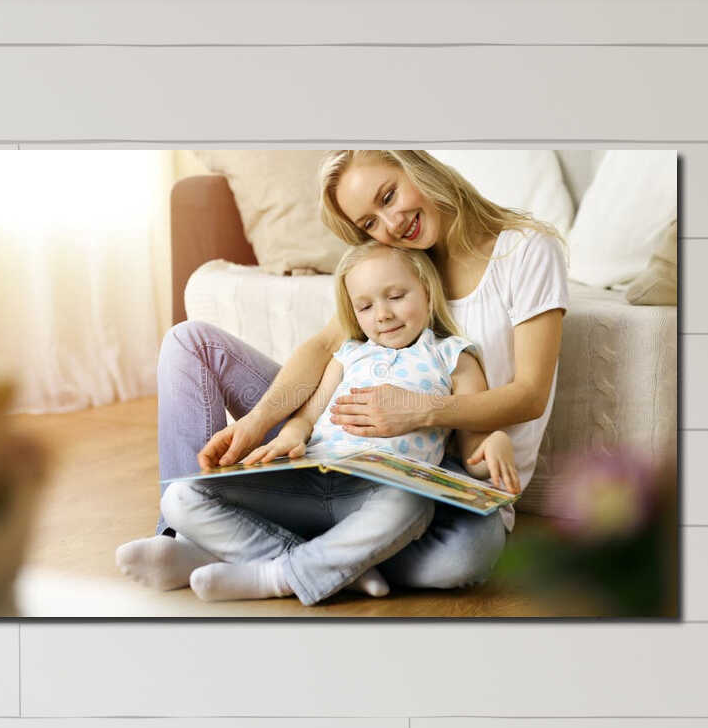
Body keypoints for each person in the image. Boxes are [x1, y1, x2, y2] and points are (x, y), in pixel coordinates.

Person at [120, 148, 568, 597]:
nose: (391, 225)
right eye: (370, 223)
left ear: (417, 166)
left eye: (388, 196)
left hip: (443, 469)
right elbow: (323, 348)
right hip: (340, 438)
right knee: (190, 343)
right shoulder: (401, 254)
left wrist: (420, 412)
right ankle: (184, 538)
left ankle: (252, 552)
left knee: (463, 560)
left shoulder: (526, 251)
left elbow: (529, 394)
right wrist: (262, 424)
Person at [136, 242, 512, 604]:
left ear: (428, 292)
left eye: (396, 296)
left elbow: (473, 439)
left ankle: (277, 576)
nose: (382, 314)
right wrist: (290, 435)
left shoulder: (453, 357)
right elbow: (308, 417)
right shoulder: (348, 354)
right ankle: (334, 568)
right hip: (311, 480)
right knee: (181, 496)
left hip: (381, 493)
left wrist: (495, 443)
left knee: (410, 502)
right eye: (365, 306)